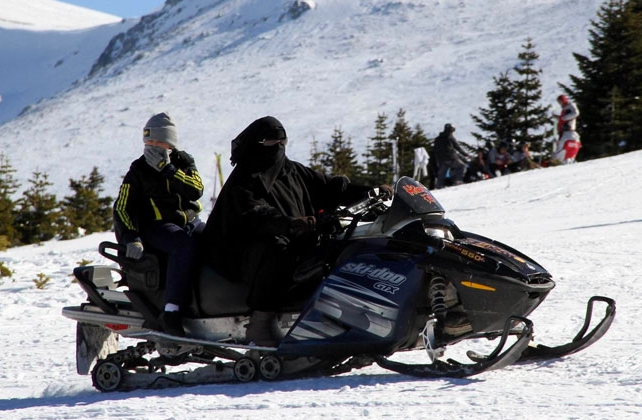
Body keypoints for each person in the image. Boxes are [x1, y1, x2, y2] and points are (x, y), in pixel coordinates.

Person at [201, 116, 389, 346]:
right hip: (239, 250)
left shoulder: (290, 170)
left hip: (289, 235)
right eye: (272, 144)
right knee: (279, 251)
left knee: (334, 243)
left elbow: (330, 187)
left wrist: (370, 192)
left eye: (283, 142)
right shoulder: (244, 179)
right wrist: (290, 224)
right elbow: (257, 215)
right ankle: (261, 322)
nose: (278, 148)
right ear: (257, 144)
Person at [113, 112, 205, 337]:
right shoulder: (138, 169)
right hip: (157, 227)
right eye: (148, 142)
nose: (152, 146)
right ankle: (171, 311)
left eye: (158, 141)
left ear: (170, 143)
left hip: (189, 222)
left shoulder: (183, 161)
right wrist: (130, 237)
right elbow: (122, 207)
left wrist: (169, 170)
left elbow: (196, 189)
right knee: (181, 244)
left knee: (218, 238)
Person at [432, 123, 469, 188]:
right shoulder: (450, 137)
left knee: (442, 174)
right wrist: (466, 154)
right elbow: (457, 147)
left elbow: (435, 150)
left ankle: (438, 185)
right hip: (451, 158)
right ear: (451, 130)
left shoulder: (438, 139)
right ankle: (458, 180)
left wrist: (438, 160)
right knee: (462, 166)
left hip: (441, 159)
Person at [552, 94, 581, 164]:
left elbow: (576, 113)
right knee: (562, 148)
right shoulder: (564, 109)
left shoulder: (570, 105)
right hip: (563, 132)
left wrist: (563, 118)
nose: (559, 104)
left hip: (568, 131)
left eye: (560, 101)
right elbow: (563, 119)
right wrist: (558, 117)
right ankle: (563, 161)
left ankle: (558, 161)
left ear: (563, 100)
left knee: (561, 148)